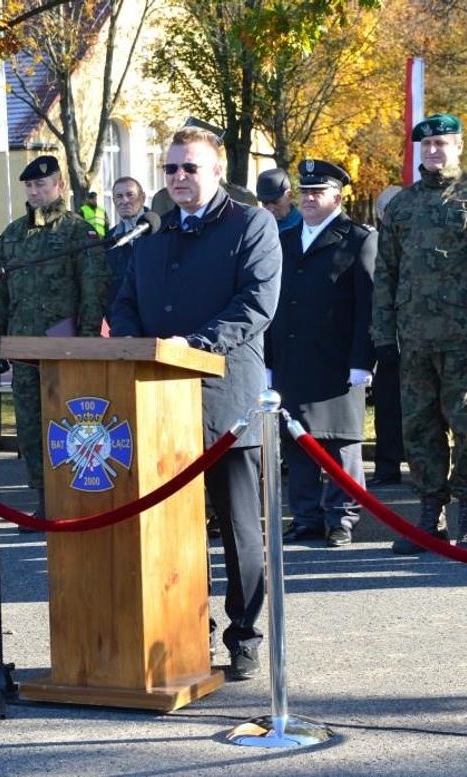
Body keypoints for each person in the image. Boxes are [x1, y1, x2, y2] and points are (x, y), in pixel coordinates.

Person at [110, 125, 281, 682]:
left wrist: (193, 346)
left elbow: (256, 304)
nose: (179, 177)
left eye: (190, 168)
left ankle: (245, 636)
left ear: (215, 173)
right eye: (171, 169)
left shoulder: (249, 224)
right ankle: (186, 628)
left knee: (238, 529)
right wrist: (139, 346)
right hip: (159, 402)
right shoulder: (152, 232)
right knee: (171, 525)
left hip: (225, 399)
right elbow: (127, 302)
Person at [372, 113, 467, 554]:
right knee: (419, 429)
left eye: (442, 143)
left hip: (464, 343)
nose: (434, 151)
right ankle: (429, 518)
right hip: (414, 341)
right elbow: (386, 273)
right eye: (427, 145)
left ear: (458, 147)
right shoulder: (402, 206)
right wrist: (383, 337)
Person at [0, 154, 107, 519]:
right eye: (29, 186)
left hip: (65, 344)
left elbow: (92, 289)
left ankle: (76, 491)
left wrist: (88, 340)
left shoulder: (78, 232)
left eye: (42, 185)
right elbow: (1, 293)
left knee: (69, 421)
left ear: (59, 186)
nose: (35, 191)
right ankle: (43, 496)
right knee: (29, 423)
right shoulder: (12, 234)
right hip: (24, 346)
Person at [269, 159, 375, 548]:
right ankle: (306, 517)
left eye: (318, 192)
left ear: (338, 196)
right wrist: (268, 360)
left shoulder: (359, 239)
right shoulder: (285, 239)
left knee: (340, 443)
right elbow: (274, 304)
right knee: (297, 442)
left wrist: (364, 360)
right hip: (293, 358)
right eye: (305, 192)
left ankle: (342, 517)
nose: (309, 199)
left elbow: (369, 304)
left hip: (338, 361)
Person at [368, 185, 405, 487]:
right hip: (386, 334)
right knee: (387, 403)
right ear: (381, 213)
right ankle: (387, 465)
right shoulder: (373, 244)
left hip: (421, 335)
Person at [104, 176, 148, 314]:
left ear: (142, 198)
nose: (124, 201)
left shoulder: (162, 230)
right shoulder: (108, 239)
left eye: (130, 195)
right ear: (114, 201)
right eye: (119, 196)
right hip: (122, 318)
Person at [255, 168, 302, 232]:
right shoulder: (258, 227)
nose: (271, 209)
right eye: (265, 203)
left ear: (289, 195)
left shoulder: (305, 225)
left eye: (275, 202)